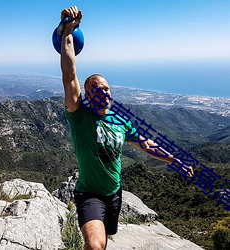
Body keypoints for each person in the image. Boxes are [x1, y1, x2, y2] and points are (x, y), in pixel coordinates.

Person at [59, 6, 194, 250]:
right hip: (89, 194)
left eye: (107, 88)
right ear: (87, 94)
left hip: (114, 194)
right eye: (98, 88)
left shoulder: (121, 121)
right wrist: (67, 31)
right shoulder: (80, 116)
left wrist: (173, 160)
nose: (105, 91)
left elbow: (146, 144)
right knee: (94, 246)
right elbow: (69, 74)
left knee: (105, 242)